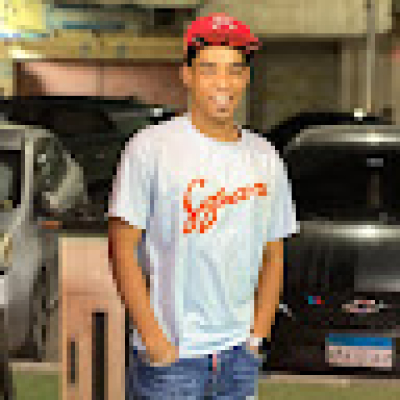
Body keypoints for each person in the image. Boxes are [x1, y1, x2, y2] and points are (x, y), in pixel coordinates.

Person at [108, 12, 298, 400]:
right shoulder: (151, 148)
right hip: (173, 361)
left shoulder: (265, 158)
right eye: (209, 69)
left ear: (246, 78)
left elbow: (274, 254)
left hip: (238, 358)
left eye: (234, 70)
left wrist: (256, 339)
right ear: (187, 74)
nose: (222, 83)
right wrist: (155, 342)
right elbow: (122, 247)